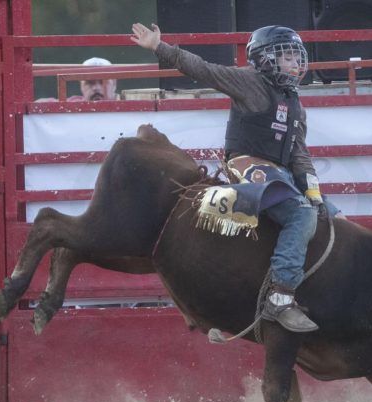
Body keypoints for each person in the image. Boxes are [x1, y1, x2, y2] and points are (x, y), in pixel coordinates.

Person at [131, 22, 342, 333]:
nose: (296, 63)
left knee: (328, 214)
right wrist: (160, 48)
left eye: (298, 57)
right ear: (266, 58)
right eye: (287, 56)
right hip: (246, 163)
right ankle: (280, 296)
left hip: (279, 172)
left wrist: (314, 192)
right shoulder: (249, 82)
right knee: (301, 216)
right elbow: (203, 70)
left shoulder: (294, 102)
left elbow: (299, 154)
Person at [36, 57, 117, 103]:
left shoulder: (128, 103)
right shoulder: (73, 104)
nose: (96, 87)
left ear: (114, 85)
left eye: (103, 82)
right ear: (81, 86)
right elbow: (38, 105)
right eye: (90, 83)